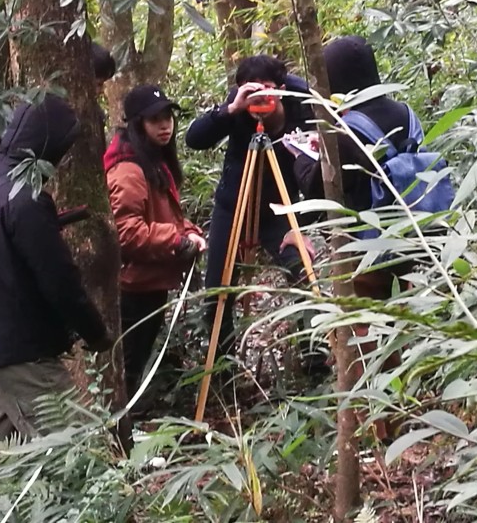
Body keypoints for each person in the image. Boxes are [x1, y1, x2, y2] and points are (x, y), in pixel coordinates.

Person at [0, 95, 113, 470]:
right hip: (19, 351)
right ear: (49, 147)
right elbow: (59, 281)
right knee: (76, 450)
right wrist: (95, 333)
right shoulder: (25, 198)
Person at [185, 55, 321, 369]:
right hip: (234, 207)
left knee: (304, 274)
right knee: (218, 292)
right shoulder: (238, 105)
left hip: (280, 209)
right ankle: (221, 370)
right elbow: (195, 138)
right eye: (252, 91)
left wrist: (305, 224)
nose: (260, 98)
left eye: (268, 90)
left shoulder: (302, 105)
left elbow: (324, 174)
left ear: (283, 89)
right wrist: (231, 109)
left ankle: (313, 360)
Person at [293, 35, 423, 300]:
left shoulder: (346, 131)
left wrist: (300, 157)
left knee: (366, 323)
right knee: (402, 314)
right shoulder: (406, 113)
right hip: (413, 234)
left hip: (368, 247)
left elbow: (317, 190)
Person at [103, 84, 206, 397]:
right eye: (154, 120)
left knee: (133, 365)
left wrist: (190, 232)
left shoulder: (151, 162)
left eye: (168, 117)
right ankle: (117, 437)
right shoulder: (128, 170)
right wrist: (177, 241)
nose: (165, 125)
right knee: (126, 369)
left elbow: (165, 218)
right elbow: (126, 232)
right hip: (133, 287)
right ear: (137, 124)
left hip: (150, 282)